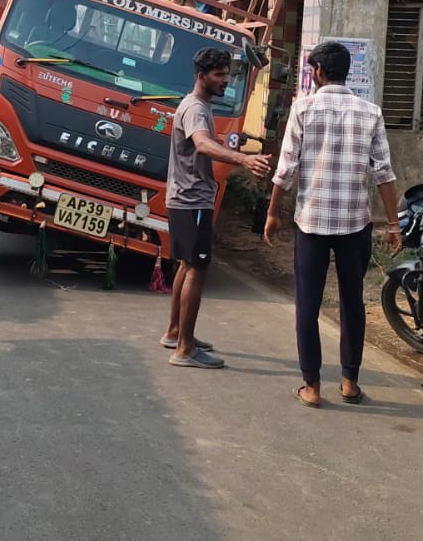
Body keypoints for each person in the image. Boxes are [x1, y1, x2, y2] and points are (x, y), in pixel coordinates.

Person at [264, 41, 400, 408]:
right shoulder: (370, 112)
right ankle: (350, 383)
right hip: (355, 224)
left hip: (312, 222)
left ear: (318, 72)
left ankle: (311, 386)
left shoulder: (303, 109)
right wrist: (393, 223)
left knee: (307, 306)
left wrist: (273, 212)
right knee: (352, 303)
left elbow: (287, 169)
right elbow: (384, 173)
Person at [164, 48, 270, 368]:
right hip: (192, 198)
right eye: (219, 75)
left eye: (227, 74)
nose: (226, 80)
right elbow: (203, 144)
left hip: (185, 197)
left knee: (187, 265)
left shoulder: (198, 105)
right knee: (197, 268)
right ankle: (184, 350)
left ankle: (174, 332)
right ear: (201, 77)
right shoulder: (195, 109)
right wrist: (243, 159)